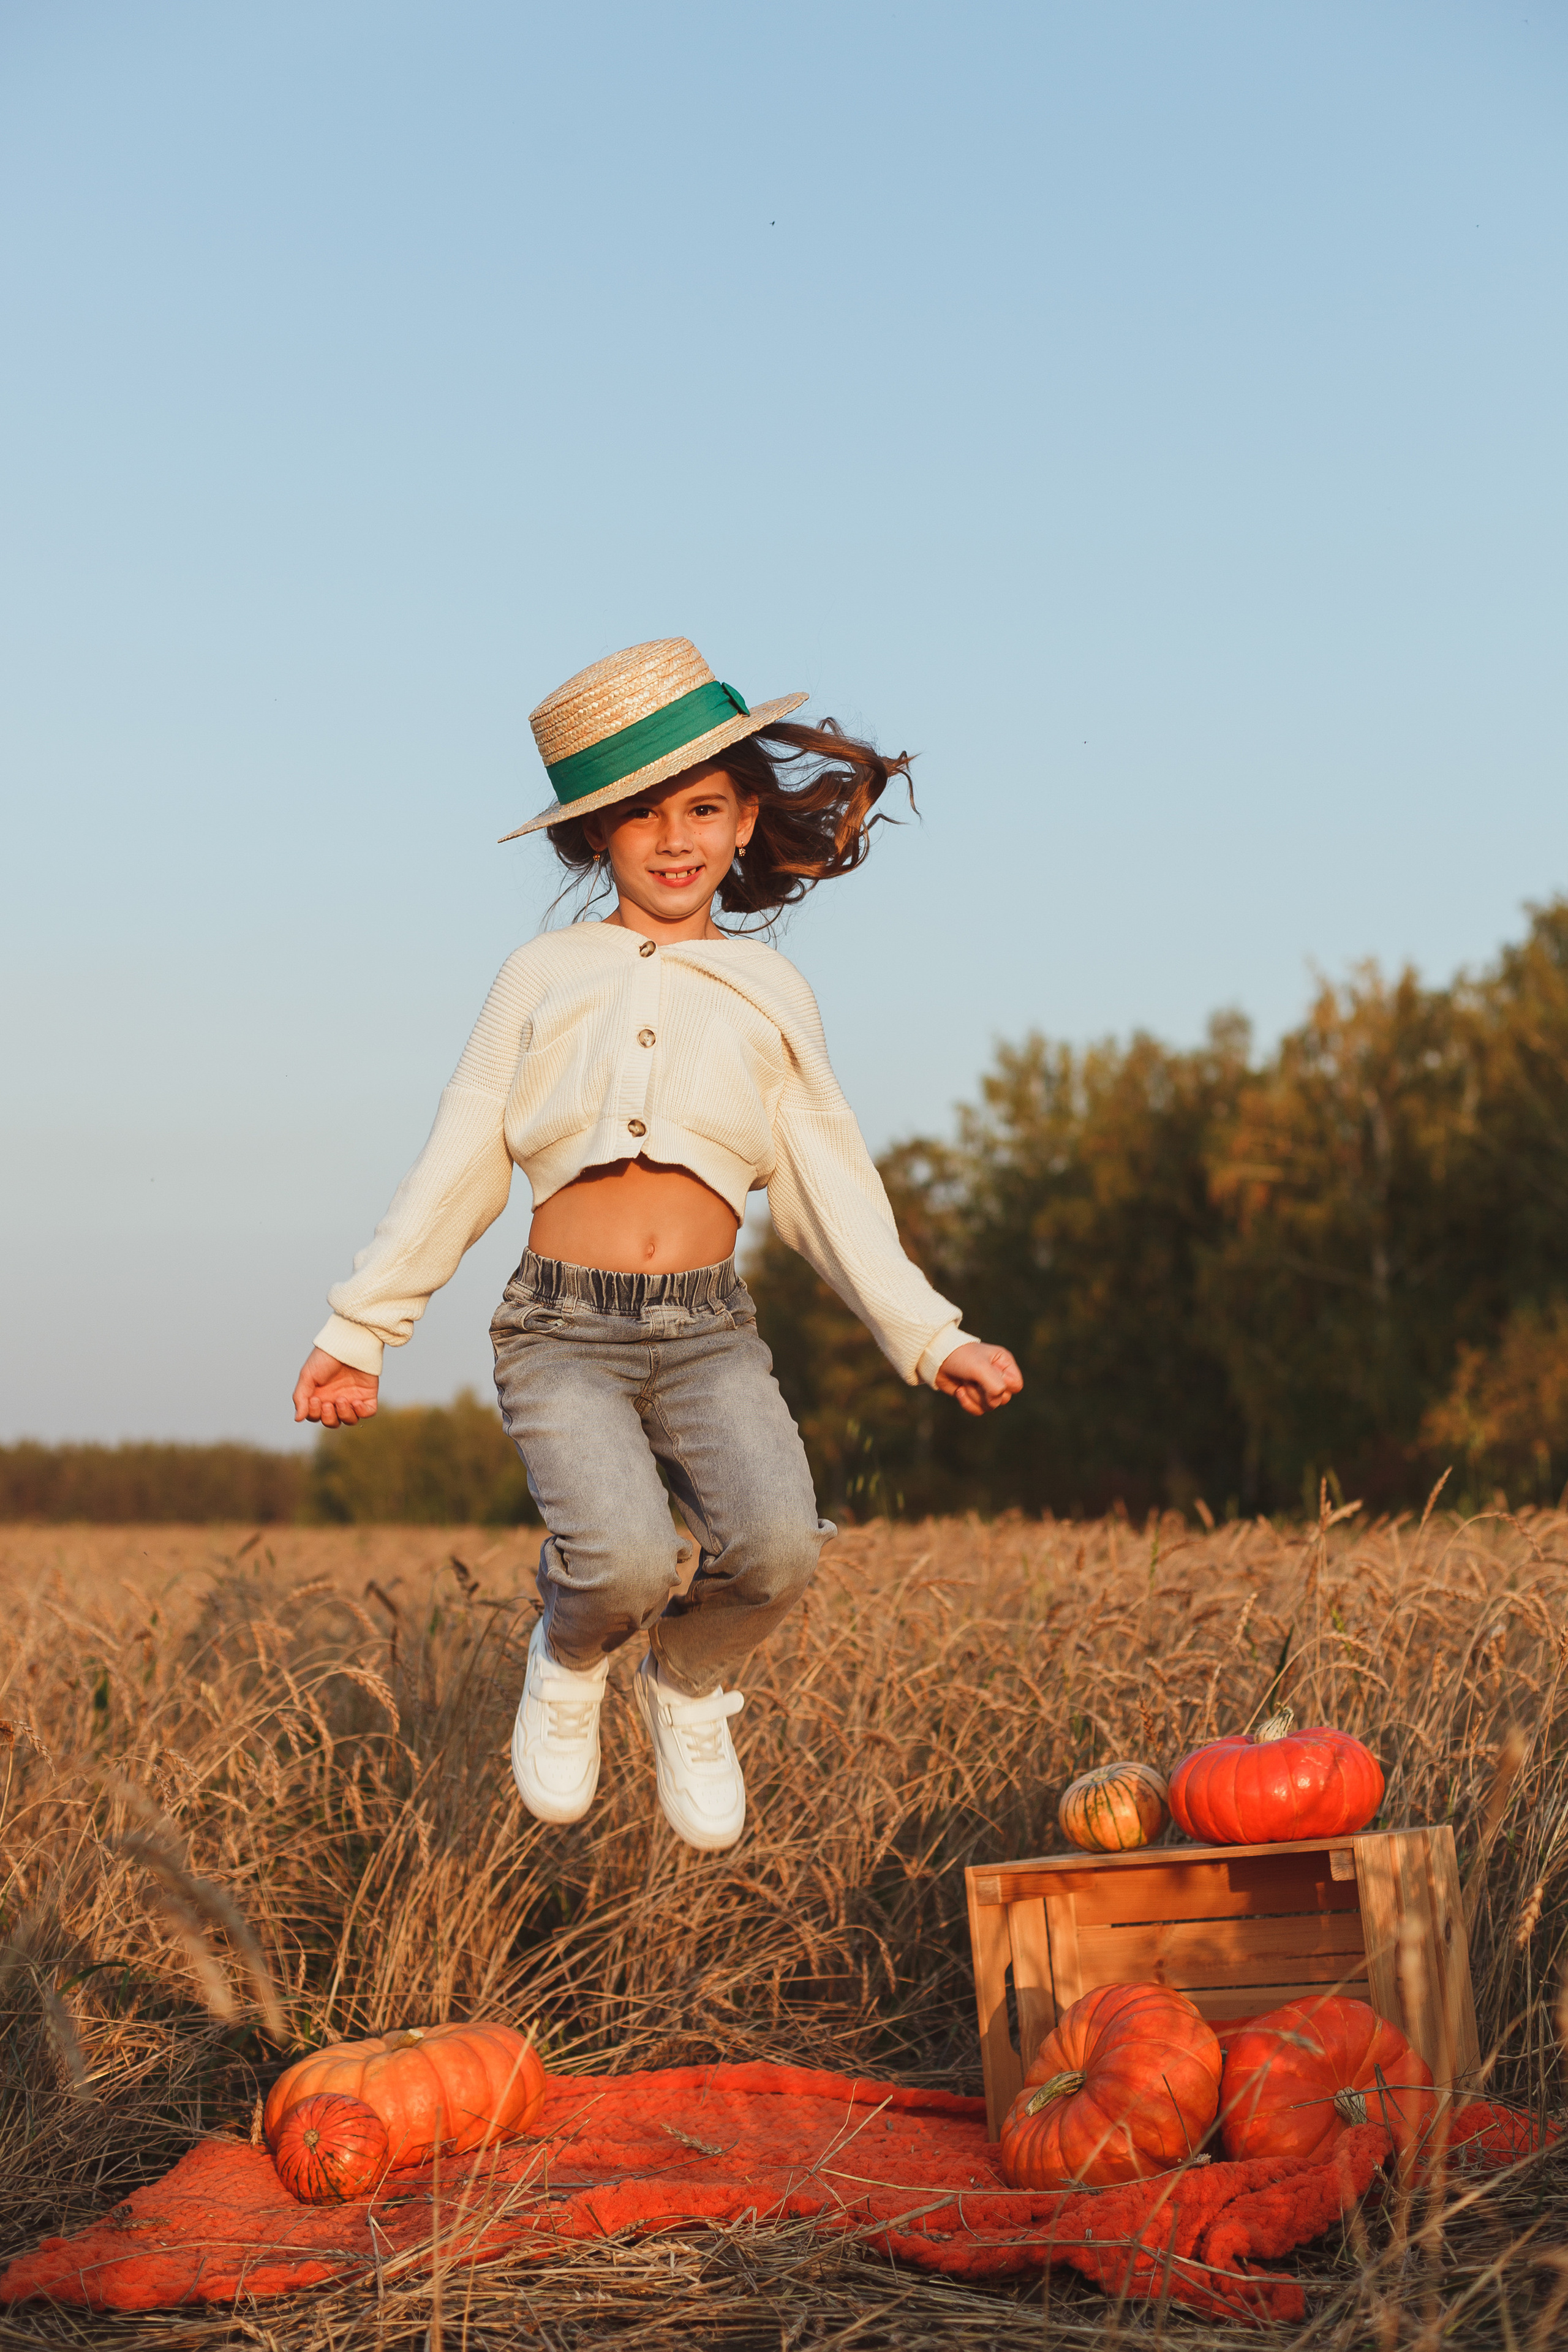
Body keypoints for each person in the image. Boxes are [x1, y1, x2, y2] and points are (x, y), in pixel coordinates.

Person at [293, 638, 1022, 1852]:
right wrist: (361, 1328)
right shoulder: (541, 972)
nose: (674, 838)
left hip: (706, 1333)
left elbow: (826, 1178)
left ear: (743, 823)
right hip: (561, 1329)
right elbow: (465, 1152)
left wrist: (927, 1333)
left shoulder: (769, 994)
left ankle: (686, 1684)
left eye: (701, 808)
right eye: (639, 817)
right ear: (593, 841)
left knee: (780, 1548)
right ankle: (569, 1655)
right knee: (622, 1561)